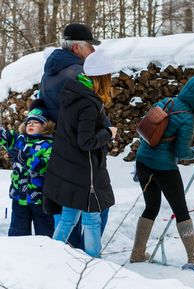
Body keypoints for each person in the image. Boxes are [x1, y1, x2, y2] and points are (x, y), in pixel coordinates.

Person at [130, 76, 194, 265]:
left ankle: (137, 253)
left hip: (142, 162)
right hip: (164, 168)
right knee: (181, 210)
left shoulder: (165, 102)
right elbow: (181, 152)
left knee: (151, 207)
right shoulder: (188, 119)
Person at [39, 22, 110, 249]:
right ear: (77, 48)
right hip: (82, 149)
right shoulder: (80, 73)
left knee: (65, 203)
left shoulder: (48, 73)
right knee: (97, 205)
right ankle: (85, 257)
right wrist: (106, 134)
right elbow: (92, 112)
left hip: (59, 149)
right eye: (90, 46)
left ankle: (64, 254)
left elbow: (43, 106)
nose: (93, 51)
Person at [0, 100, 55, 237]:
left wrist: (23, 158)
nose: (31, 124)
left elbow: (44, 166)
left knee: (44, 234)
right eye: (29, 122)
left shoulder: (48, 145)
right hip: (18, 196)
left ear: (45, 126)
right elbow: (4, 136)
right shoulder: (19, 140)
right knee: (18, 233)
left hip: (39, 198)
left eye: (36, 122)